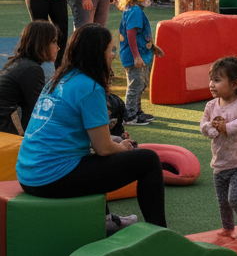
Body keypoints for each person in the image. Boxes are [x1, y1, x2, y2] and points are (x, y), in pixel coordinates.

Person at [16, 24, 167, 227]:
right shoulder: (89, 87)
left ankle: (105, 222)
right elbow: (103, 149)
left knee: (96, 158)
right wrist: (120, 147)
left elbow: (81, 137)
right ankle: (158, 232)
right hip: (50, 178)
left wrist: (115, 141)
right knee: (148, 160)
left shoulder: (58, 79)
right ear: (97, 53)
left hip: (28, 174)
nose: (113, 55)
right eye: (110, 49)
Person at [199, 57, 237, 240]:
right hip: (220, 163)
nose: (211, 84)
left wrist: (227, 127)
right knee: (223, 201)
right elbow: (203, 125)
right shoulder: (211, 105)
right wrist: (212, 130)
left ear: (234, 84)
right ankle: (227, 228)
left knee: (235, 198)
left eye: (217, 80)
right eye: (211, 79)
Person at [117, 0, 164, 126]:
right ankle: (129, 116)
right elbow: (131, 34)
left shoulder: (133, 10)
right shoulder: (135, 11)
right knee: (135, 85)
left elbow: (140, 35)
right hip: (135, 56)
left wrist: (153, 47)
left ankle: (137, 111)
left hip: (141, 53)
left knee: (140, 83)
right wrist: (136, 56)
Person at [0, 20, 59, 135]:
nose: (58, 47)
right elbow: (37, 113)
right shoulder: (31, 69)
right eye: (54, 42)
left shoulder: (20, 63)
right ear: (41, 44)